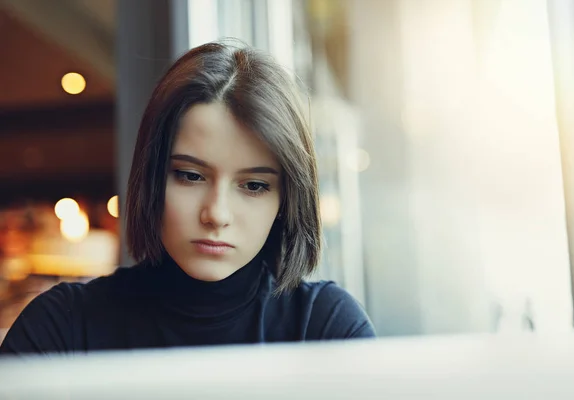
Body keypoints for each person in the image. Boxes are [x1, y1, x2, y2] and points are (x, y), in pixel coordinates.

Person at [0, 42, 375, 354]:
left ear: (286, 200)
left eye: (254, 186)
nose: (216, 214)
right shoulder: (61, 327)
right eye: (191, 176)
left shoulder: (324, 328)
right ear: (151, 178)